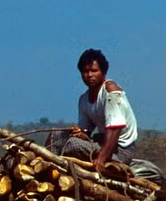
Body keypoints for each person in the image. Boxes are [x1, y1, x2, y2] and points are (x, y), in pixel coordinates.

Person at [51, 48, 139, 176]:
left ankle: (60, 170)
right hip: (101, 141)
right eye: (85, 71)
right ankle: (49, 169)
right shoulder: (84, 99)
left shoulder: (110, 90)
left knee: (72, 144)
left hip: (120, 149)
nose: (90, 75)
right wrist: (80, 133)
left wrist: (101, 159)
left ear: (103, 72)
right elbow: (86, 132)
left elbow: (115, 129)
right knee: (56, 135)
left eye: (94, 71)